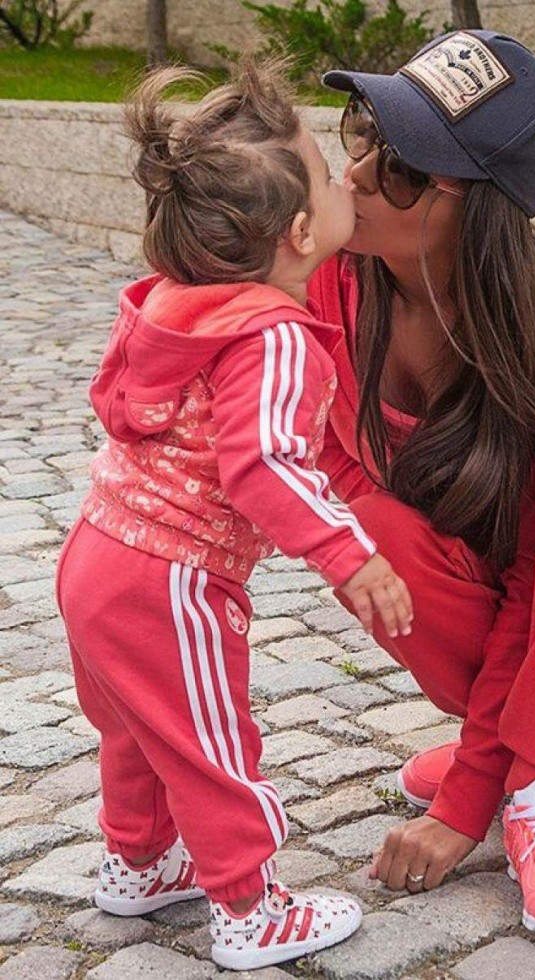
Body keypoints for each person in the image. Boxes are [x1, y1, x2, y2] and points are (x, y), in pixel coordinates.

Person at [55, 60, 414, 972]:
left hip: (96, 554)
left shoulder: (176, 304)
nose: (347, 179)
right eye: (328, 175)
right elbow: (263, 467)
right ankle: (251, 910)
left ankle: (140, 863)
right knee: (211, 742)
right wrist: (351, 554)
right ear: (301, 233)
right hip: (171, 576)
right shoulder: (275, 334)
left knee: (139, 729)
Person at [307, 29, 535, 935]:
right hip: (503, 612)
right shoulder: (331, 285)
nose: (358, 174)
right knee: (367, 530)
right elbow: (323, 469)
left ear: (481, 209)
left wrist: (467, 802)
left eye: (403, 169)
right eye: (364, 134)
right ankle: (516, 748)